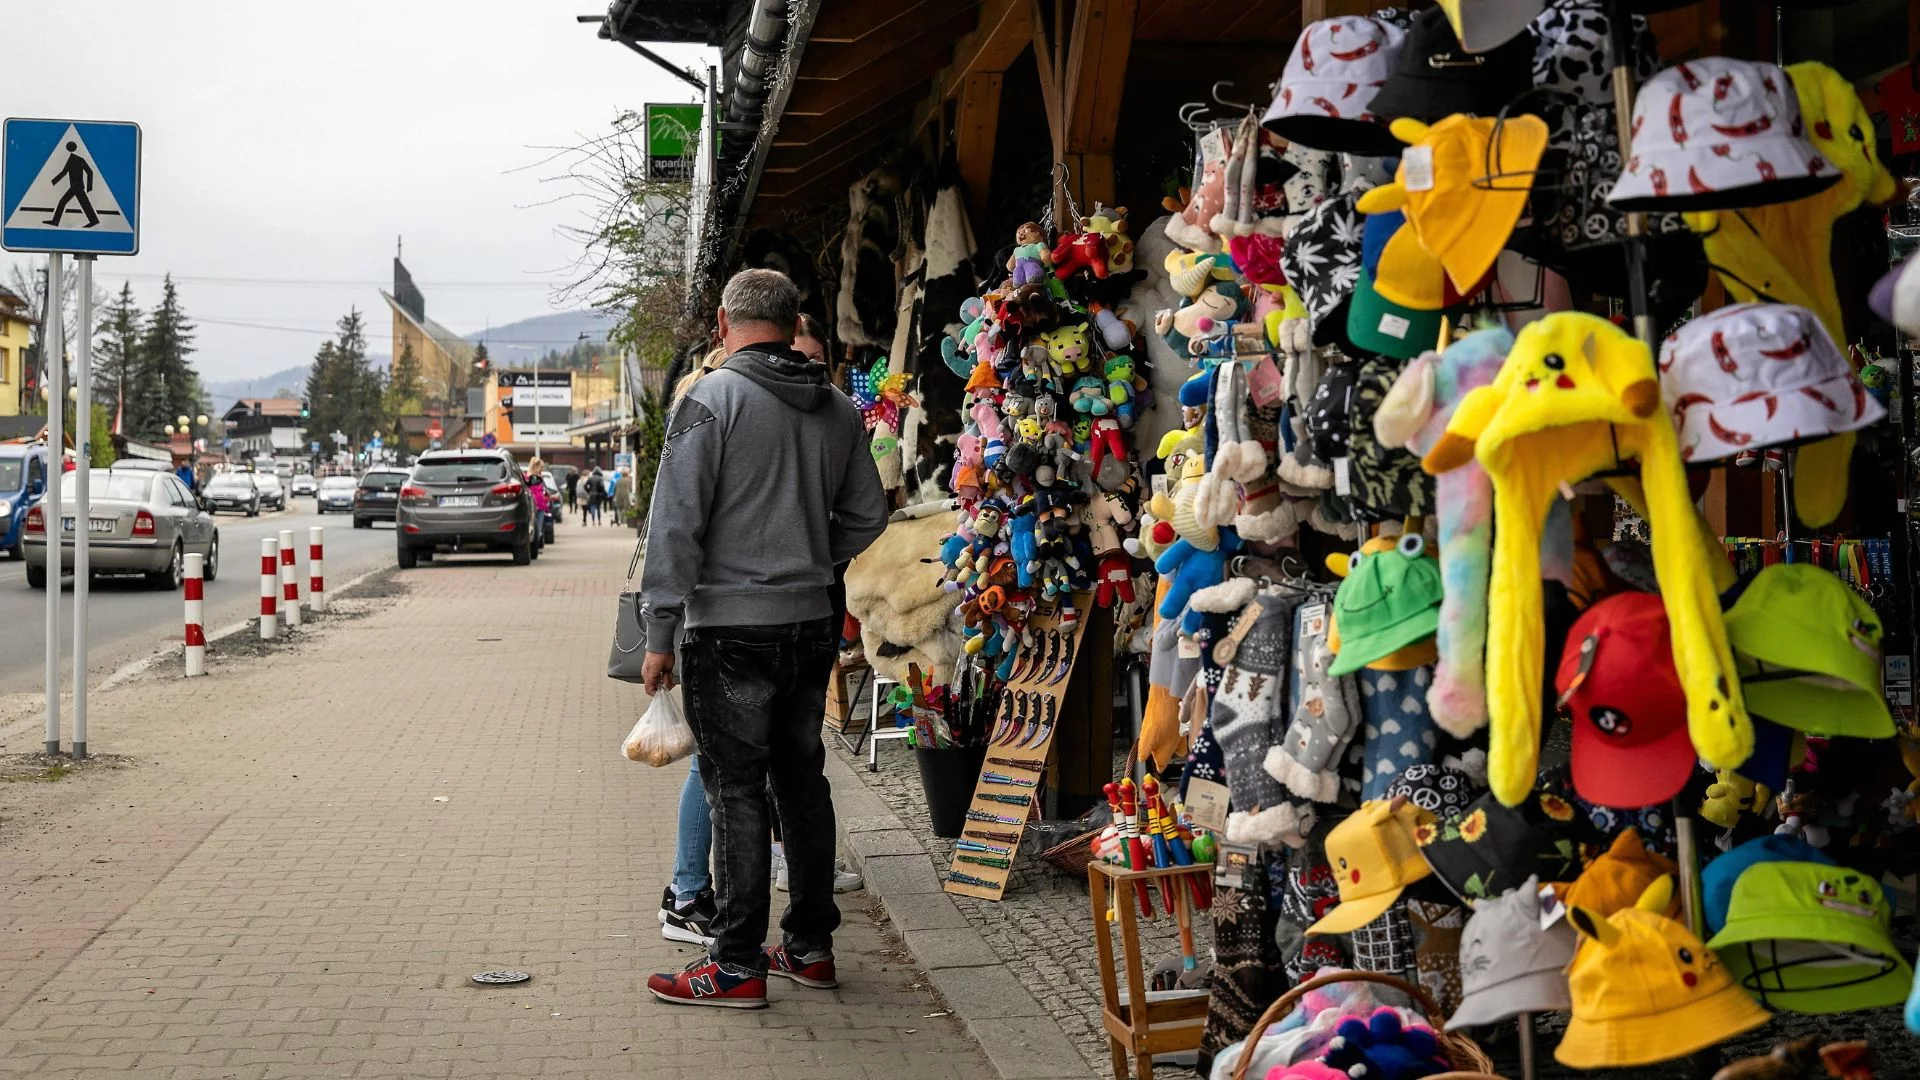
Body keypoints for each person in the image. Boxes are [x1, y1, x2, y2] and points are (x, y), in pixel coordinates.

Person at [639, 268, 887, 1009]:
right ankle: (810, 947)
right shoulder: (838, 409)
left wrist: (657, 628)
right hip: (810, 623)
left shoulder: (709, 401)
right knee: (803, 784)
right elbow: (869, 514)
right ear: (791, 321)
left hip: (728, 628)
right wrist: (813, 554)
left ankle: (737, 962)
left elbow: (674, 525)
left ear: (723, 324)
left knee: (736, 791)